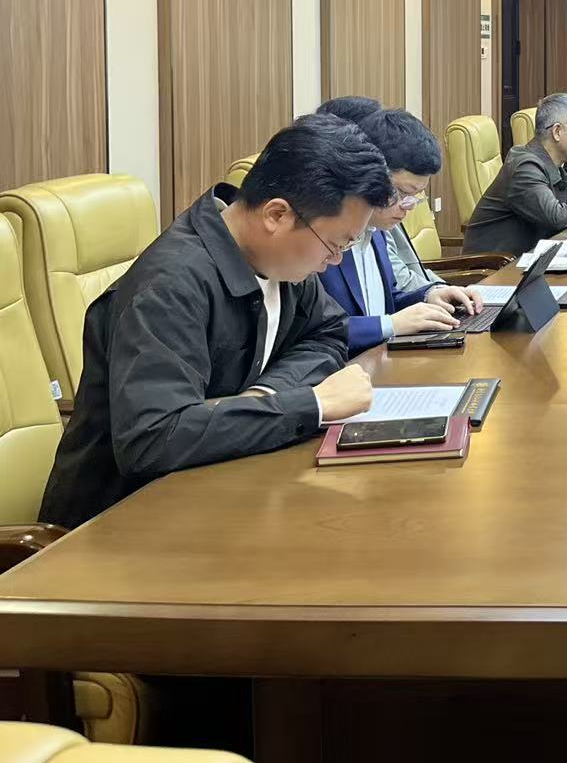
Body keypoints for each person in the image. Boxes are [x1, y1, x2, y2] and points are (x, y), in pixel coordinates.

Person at [38, 115, 390, 529]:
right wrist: (310, 405)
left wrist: (265, 397)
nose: (334, 260)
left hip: (221, 492)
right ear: (276, 215)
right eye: (334, 244)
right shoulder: (170, 287)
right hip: (117, 526)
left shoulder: (280, 261)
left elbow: (327, 332)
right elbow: (153, 439)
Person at [317, 109, 484, 353]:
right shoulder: (326, 238)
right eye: (402, 193)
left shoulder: (378, 229)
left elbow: (385, 301)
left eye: (416, 196)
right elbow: (316, 332)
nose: (408, 207)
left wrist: (430, 295)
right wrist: (389, 325)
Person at [462, 93, 567, 255]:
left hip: (528, 259)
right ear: (557, 131)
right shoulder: (525, 167)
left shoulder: (548, 162)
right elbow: (555, 216)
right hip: (494, 268)